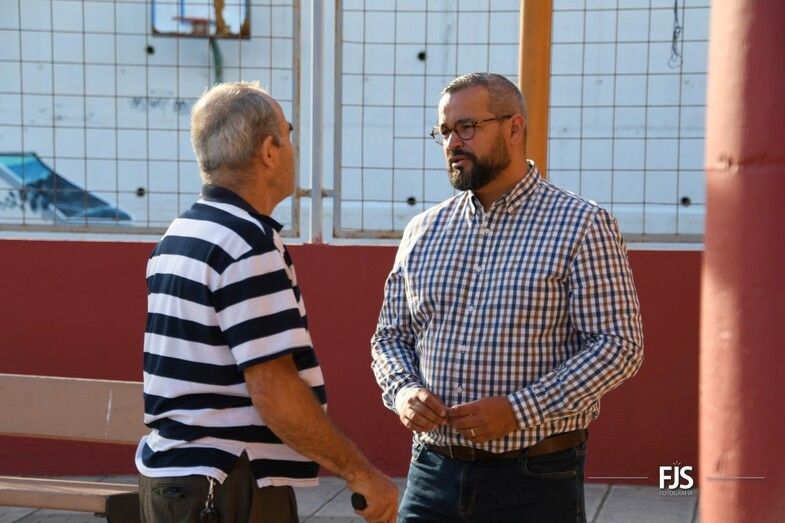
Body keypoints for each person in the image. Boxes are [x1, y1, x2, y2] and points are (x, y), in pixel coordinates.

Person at [371, 72, 644, 522]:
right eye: (444, 131)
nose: (452, 143)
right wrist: (403, 391)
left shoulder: (581, 225)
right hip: (432, 471)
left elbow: (619, 345)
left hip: (534, 477)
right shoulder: (423, 230)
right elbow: (390, 336)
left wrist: (519, 411)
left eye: (467, 127)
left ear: (514, 129)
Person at [136, 81, 398, 523]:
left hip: (175, 480)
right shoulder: (247, 243)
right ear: (269, 151)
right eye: (288, 133)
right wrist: (360, 473)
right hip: (229, 483)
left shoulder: (181, 233)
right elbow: (273, 389)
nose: (293, 148)